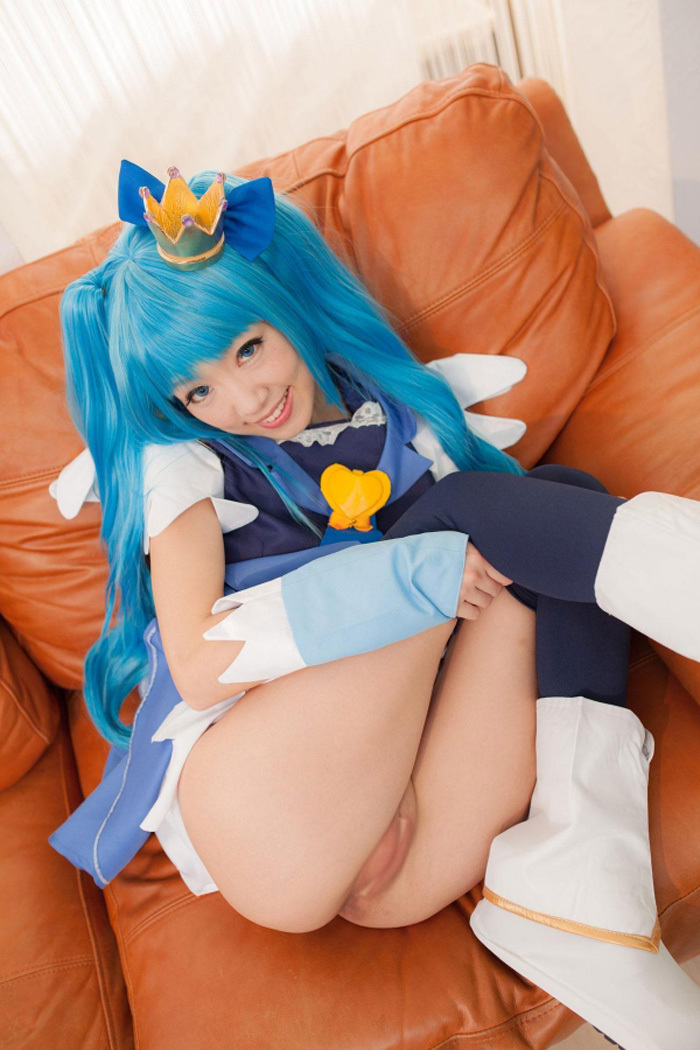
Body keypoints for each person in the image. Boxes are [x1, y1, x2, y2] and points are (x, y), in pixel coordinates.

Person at [48, 162, 700, 1050]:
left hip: (407, 844)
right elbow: (198, 665)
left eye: (248, 348)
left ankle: (579, 873)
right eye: (197, 391)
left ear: (287, 300)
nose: (242, 400)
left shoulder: (383, 405)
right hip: (277, 818)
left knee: (561, 496)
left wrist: (438, 568)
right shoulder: (186, 464)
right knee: (466, 515)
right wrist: (412, 577)